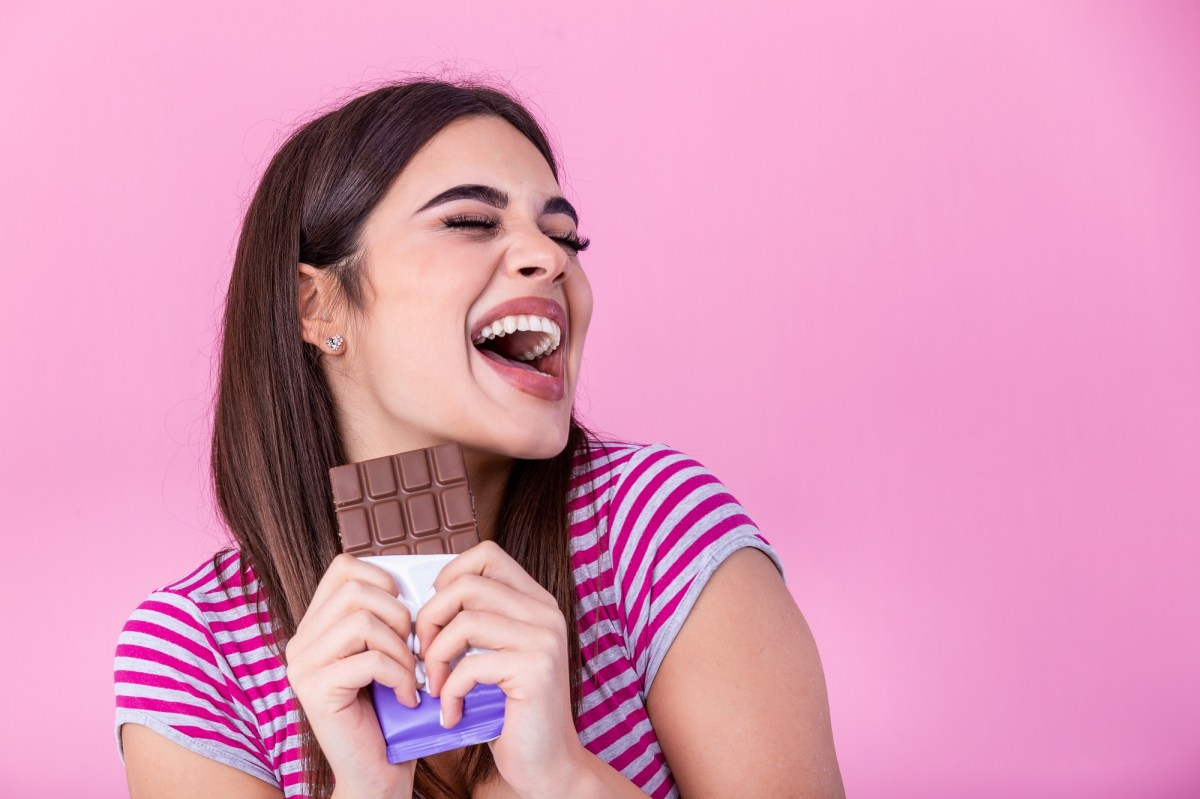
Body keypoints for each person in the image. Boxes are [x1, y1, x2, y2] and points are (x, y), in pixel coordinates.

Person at [114, 78, 845, 799]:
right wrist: (366, 791)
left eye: (565, 236)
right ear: (317, 302)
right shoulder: (195, 654)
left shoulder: (654, 528)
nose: (551, 258)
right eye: (470, 221)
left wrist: (565, 777)